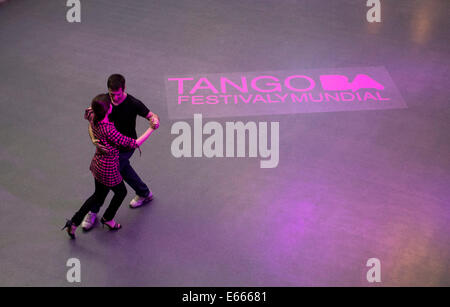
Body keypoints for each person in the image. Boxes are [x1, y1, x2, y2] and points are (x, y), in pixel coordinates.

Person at [62, 94, 157, 239]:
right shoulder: (109, 131)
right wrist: (151, 129)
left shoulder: (92, 116)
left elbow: (88, 114)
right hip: (109, 168)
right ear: (108, 110)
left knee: (97, 195)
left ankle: (74, 222)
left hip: (97, 164)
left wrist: (94, 139)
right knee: (121, 193)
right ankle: (108, 218)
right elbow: (135, 143)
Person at [81, 74, 160, 231]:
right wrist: (93, 139)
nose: (114, 98)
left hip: (125, 147)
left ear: (123, 89)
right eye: (111, 94)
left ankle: (93, 211)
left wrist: (154, 121)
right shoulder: (104, 102)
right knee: (123, 170)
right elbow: (92, 122)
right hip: (109, 148)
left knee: (104, 180)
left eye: (117, 94)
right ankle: (144, 193)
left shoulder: (133, 103)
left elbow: (152, 115)